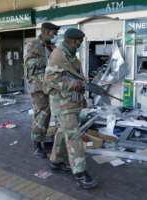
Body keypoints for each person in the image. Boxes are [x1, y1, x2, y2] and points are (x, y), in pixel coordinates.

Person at [44, 28, 98, 189]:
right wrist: (75, 84)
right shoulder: (58, 55)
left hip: (71, 103)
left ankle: (56, 161)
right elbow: (49, 80)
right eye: (79, 42)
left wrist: (82, 88)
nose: (80, 45)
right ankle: (80, 173)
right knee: (74, 136)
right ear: (72, 41)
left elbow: (75, 77)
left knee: (62, 132)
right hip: (62, 104)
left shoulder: (72, 57)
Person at [24, 22, 60, 158]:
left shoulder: (51, 47)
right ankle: (37, 144)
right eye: (53, 33)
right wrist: (49, 74)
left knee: (51, 114)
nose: (55, 35)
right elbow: (30, 69)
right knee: (41, 115)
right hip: (38, 87)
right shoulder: (33, 45)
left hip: (51, 86)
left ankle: (46, 139)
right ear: (45, 31)